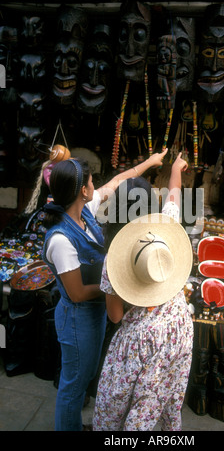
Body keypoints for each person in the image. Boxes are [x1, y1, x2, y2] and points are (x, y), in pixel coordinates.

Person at [42, 150, 167, 431]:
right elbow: (77, 293)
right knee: (73, 386)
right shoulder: (61, 239)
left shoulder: (83, 208)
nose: (95, 186)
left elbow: (118, 181)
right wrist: (114, 284)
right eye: (90, 182)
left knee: (83, 378)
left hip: (94, 314)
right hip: (78, 319)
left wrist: (149, 162)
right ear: (82, 191)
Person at [93, 152, 194, 431]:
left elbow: (114, 317)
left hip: (142, 339)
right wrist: (175, 168)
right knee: (160, 401)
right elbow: (174, 193)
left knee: (124, 411)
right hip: (178, 327)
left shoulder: (112, 262)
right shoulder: (167, 225)